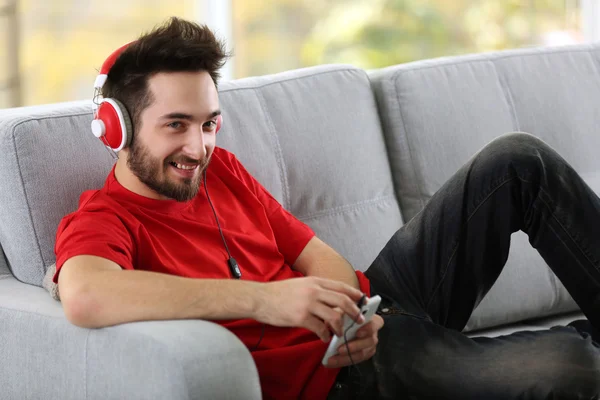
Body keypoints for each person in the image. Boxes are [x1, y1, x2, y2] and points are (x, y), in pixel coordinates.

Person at [53, 17, 600, 400]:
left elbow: (320, 258)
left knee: (516, 161)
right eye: (176, 125)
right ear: (115, 127)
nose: (198, 149)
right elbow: (85, 293)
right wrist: (269, 302)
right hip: (337, 380)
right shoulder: (103, 219)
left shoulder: (224, 171)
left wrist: (351, 315)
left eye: (208, 123)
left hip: (373, 312)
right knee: (574, 373)